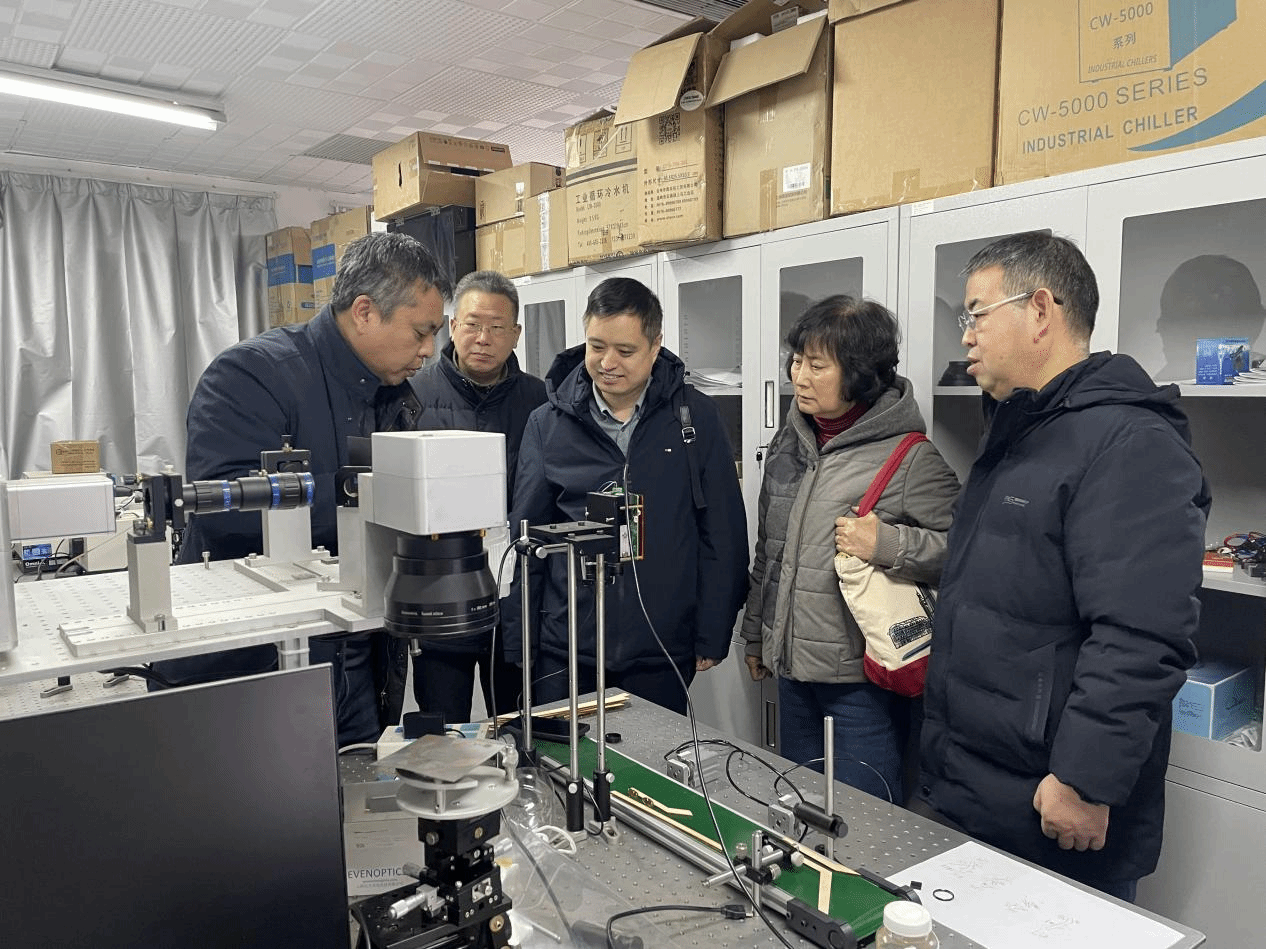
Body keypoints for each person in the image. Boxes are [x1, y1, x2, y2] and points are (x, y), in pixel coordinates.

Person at [914, 231, 1209, 902]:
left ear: (1040, 309)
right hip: (973, 785)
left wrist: (1083, 780)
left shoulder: (1130, 443)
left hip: (1051, 804)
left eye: (976, 314)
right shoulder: (1021, 432)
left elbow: (1141, 636)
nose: (966, 337)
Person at [151, 232, 452, 747]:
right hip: (251, 665)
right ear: (365, 312)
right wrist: (382, 510)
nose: (429, 350)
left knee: (351, 785)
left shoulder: (394, 397)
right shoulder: (251, 376)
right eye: (421, 332)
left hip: (355, 656)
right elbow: (224, 511)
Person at [741, 296, 959, 803]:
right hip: (792, 672)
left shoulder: (910, 457)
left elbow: (965, 554)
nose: (799, 376)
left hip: (862, 685)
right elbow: (769, 551)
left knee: (866, 821)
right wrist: (755, 635)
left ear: (859, 374)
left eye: (817, 366)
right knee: (801, 809)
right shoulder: (788, 443)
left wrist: (888, 543)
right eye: (797, 361)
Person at [504, 277, 749, 715]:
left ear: (655, 347)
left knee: (651, 759)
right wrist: (519, 638)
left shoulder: (695, 419)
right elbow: (527, 540)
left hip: (660, 646)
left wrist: (713, 630)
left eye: (625, 350)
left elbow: (722, 534)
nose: (607, 363)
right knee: (564, 757)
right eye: (596, 346)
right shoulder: (548, 423)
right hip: (567, 647)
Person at [409, 270, 547, 724]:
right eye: (472, 324)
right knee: (443, 733)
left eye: (497, 327)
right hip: (438, 597)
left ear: (516, 334)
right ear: (452, 326)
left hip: (514, 603)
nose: (483, 338)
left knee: (517, 728)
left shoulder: (541, 403)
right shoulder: (412, 396)